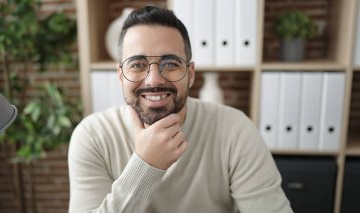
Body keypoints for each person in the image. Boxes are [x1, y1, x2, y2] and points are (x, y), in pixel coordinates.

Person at [68, 5, 292, 213]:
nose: (153, 79)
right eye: (137, 64)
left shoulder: (235, 130)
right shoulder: (92, 136)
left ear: (191, 74)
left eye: (171, 64)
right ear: (120, 75)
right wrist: (146, 166)